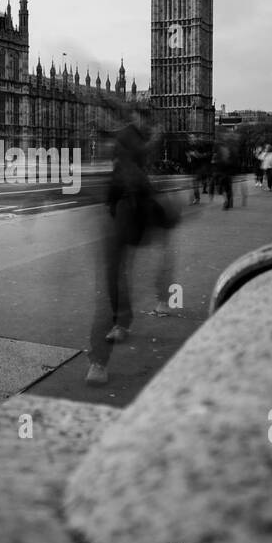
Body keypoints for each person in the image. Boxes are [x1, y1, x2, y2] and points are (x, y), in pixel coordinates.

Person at [87, 121, 178, 386]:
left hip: (128, 224)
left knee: (110, 285)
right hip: (119, 226)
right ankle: (113, 338)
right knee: (113, 281)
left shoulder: (133, 171)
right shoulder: (120, 167)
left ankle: (102, 356)